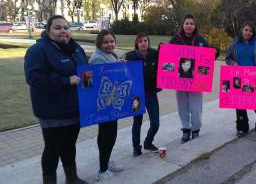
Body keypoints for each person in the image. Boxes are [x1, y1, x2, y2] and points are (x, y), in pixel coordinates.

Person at [24, 15, 88, 184]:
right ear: (48, 30)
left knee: (69, 146)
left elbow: (86, 72)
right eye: (58, 28)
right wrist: (66, 80)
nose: (63, 31)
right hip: (52, 112)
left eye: (66, 27)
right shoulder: (38, 51)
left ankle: (72, 179)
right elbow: (34, 79)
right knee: (53, 149)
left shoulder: (76, 49)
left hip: (74, 109)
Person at [169, 13, 218, 143]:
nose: (189, 26)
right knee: (182, 107)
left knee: (196, 107)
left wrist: (215, 51)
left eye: (191, 23)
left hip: (196, 81)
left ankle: (196, 129)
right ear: (183, 25)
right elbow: (168, 58)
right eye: (187, 23)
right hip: (180, 80)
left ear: (195, 26)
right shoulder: (175, 40)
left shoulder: (201, 40)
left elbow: (209, 57)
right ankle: (185, 129)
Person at [225, 21, 256, 142]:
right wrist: (233, 63)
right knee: (240, 104)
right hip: (239, 77)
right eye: (246, 30)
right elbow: (228, 58)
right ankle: (242, 128)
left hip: (254, 77)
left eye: (250, 31)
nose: (248, 32)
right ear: (242, 30)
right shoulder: (235, 43)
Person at [88, 30, 124, 181]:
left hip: (110, 102)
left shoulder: (111, 55)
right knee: (107, 135)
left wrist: (121, 65)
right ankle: (102, 170)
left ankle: (106, 161)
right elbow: (102, 80)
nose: (109, 45)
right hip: (104, 104)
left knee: (108, 134)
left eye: (111, 41)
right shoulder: (97, 58)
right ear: (99, 44)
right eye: (106, 42)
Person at [126, 33, 162, 156]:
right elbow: (120, 65)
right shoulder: (130, 56)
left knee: (156, 122)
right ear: (137, 43)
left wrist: (164, 48)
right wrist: (121, 62)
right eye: (140, 41)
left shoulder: (154, 54)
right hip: (136, 96)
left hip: (151, 93)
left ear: (148, 42)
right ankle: (136, 147)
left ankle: (148, 142)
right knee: (137, 123)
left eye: (145, 40)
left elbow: (168, 59)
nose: (143, 43)